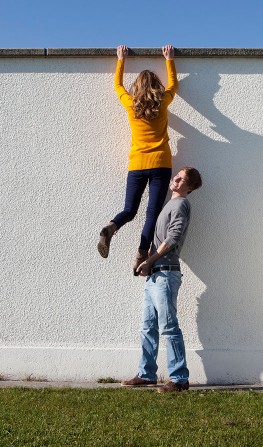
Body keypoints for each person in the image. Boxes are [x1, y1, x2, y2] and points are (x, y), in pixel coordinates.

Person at [98, 44, 179, 275]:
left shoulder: (131, 104)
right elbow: (174, 85)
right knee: (152, 213)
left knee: (129, 210)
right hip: (161, 164)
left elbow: (117, 86)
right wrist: (169, 60)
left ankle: (112, 226)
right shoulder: (163, 101)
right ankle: (141, 255)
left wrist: (120, 60)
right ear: (156, 86)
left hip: (137, 165)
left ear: (137, 87)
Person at [121, 167, 202, 393]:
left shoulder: (181, 204)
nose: (175, 180)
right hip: (156, 274)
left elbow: (174, 237)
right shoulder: (170, 203)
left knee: (168, 327)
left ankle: (179, 379)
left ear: (190, 187)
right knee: (148, 327)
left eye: (182, 179)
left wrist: (151, 260)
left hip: (166, 273)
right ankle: (147, 375)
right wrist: (147, 262)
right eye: (176, 176)